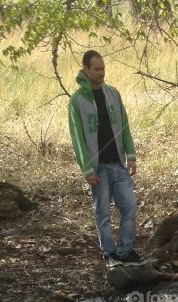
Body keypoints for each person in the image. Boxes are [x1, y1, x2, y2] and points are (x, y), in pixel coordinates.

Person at [68, 50, 144, 266]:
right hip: (97, 167)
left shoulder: (113, 93)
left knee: (129, 206)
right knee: (103, 213)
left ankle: (126, 250)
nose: (101, 73)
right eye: (96, 69)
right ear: (86, 69)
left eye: (103, 69)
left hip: (118, 162)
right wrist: (87, 168)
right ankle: (109, 253)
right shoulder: (77, 101)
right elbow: (77, 138)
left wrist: (131, 155)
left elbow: (124, 125)